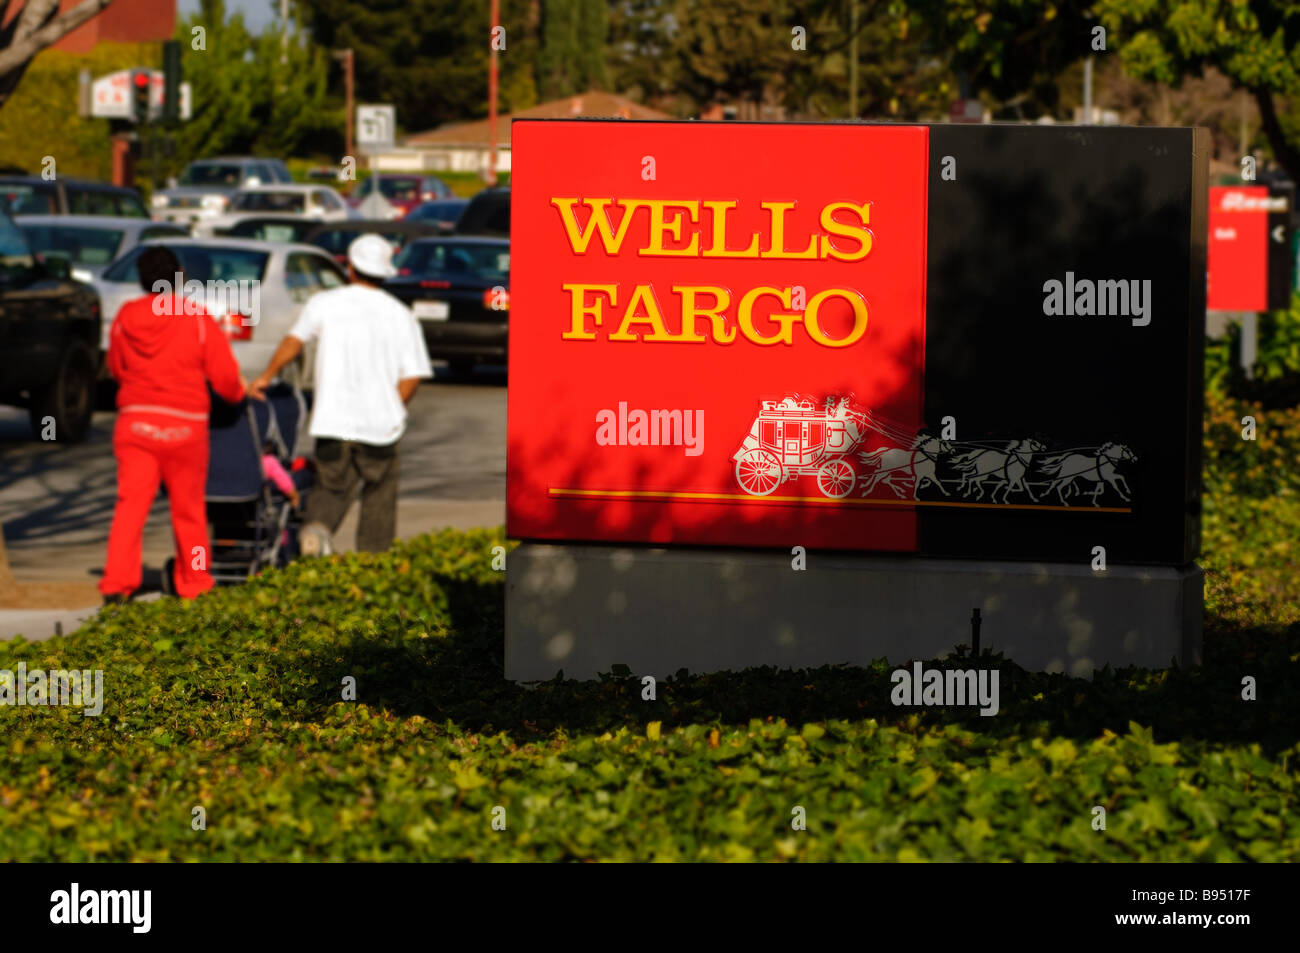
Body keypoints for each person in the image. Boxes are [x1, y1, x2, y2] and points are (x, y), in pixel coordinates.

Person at [249, 234, 430, 553]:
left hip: (333, 420)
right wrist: (393, 406)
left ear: (350, 268)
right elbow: (413, 375)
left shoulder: (324, 304)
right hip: (382, 427)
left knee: (330, 487)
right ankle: (373, 564)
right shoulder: (401, 315)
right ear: (385, 272)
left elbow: (294, 342)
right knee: (379, 496)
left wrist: (265, 376)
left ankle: (316, 531)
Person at [100, 246, 246, 604]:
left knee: (130, 508)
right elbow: (226, 379)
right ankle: (194, 582)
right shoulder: (195, 318)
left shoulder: (125, 317)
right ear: (179, 277)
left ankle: (117, 584)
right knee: (189, 511)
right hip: (186, 428)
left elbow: (116, 368)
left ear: (141, 278)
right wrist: (239, 394)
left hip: (136, 423)